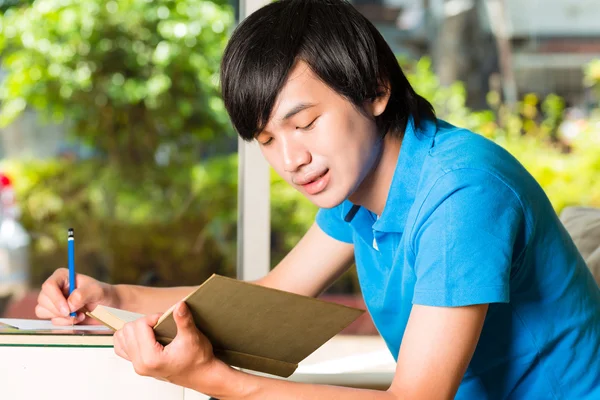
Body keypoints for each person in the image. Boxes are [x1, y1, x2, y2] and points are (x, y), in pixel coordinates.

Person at [35, 0, 600, 398]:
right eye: (266, 140)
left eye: (303, 123)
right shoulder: (359, 185)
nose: (289, 159)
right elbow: (273, 297)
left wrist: (211, 378)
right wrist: (113, 295)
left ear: (376, 89)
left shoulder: (460, 192)